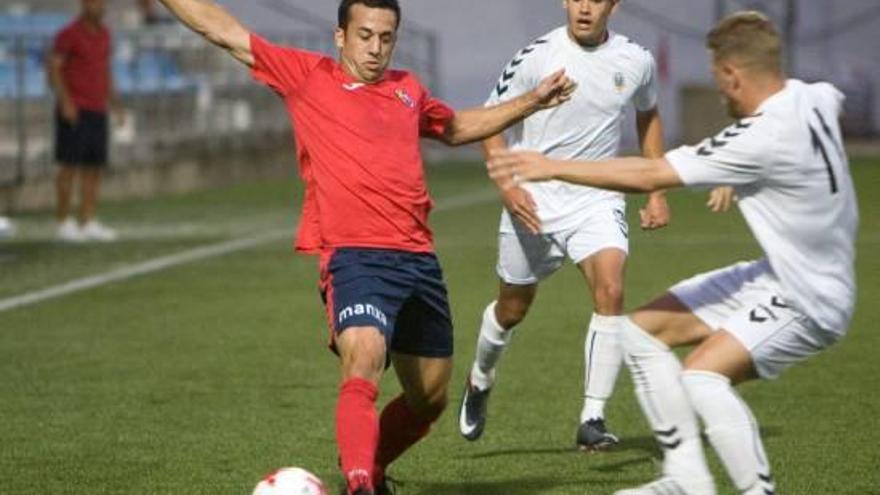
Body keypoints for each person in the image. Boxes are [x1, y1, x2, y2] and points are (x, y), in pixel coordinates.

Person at [156, 1, 576, 494]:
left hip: (418, 260)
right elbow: (225, 32)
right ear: (340, 36)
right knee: (364, 360)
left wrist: (531, 101)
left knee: (431, 397)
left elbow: (456, 128)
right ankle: (359, 485)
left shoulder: (407, 90)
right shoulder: (307, 77)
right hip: (355, 256)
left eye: (385, 37)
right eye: (365, 35)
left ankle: (370, 467)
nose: (375, 48)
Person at [488, 11, 858, 495]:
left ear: (731, 74)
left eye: (717, 79)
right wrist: (744, 172)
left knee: (701, 379)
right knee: (638, 333)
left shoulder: (762, 135)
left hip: (812, 299)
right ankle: (687, 480)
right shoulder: (815, 96)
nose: (719, 91)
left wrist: (549, 165)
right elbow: (808, 132)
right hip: (776, 275)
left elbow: (649, 175)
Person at [458, 0, 670, 451]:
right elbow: (489, 119)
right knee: (512, 309)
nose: (585, 7)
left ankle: (592, 417)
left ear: (613, 5)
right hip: (532, 202)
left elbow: (647, 114)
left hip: (596, 197)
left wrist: (656, 189)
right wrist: (507, 186)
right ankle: (480, 378)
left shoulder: (636, 60)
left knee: (611, 290)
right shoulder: (536, 55)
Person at [47, 0, 122, 242]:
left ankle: (88, 220)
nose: (100, 7)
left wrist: (116, 105)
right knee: (68, 167)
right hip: (74, 109)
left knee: (94, 167)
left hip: (97, 108)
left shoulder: (106, 35)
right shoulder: (68, 35)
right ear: (85, 4)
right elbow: (54, 68)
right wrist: (65, 101)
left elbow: (105, 71)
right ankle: (63, 221)